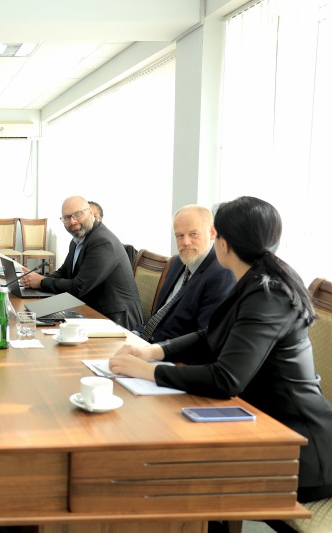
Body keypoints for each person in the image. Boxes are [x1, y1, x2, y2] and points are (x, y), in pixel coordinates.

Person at [111, 196, 332, 505]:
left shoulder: (268, 294)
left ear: (223, 243)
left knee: (173, 475)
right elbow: (210, 335)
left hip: (298, 448)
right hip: (258, 422)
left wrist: (148, 372)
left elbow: (226, 379)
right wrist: (155, 352)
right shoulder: (252, 280)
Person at [22, 196, 142, 329]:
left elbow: (79, 288)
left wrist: (41, 282)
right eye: (67, 217)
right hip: (89, 308)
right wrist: (34, 279)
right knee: (31, 318)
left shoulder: (102, 241)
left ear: (90, 213)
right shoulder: (77, 240)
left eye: (78, 214)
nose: (73, 221)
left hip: (115, 320)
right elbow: (64, 272)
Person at [134, 205, 235, 342]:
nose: (185, 242)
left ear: (212, 233)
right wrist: (134, 335)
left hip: (169, 352)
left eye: (193, 234)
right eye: (179, 236)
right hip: (144, 340)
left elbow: (205, 340)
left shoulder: (222, 275)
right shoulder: (177, 262)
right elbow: (159, 316)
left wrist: (154, 351)